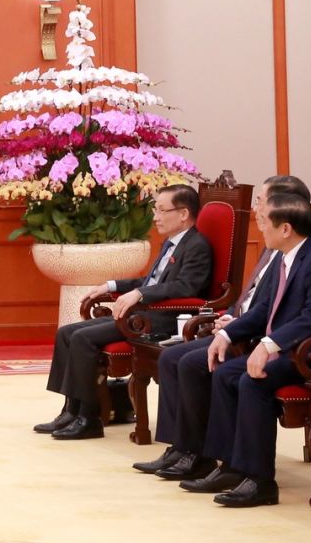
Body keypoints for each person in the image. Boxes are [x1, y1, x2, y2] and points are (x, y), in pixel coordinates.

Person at [180, 191, 311, 507]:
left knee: (254, 380)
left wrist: (268, 344)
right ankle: (231, 467)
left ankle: (260, 481)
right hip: (295, 347)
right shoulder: (287, 256)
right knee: (224, 373)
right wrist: (228, 334)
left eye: (265, 221)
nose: (260, 227)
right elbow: (266, 307)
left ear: (286, 228)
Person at [134, 175, 306, 480]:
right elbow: (250, 298)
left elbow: (276, 309)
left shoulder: (293, 253)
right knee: (172, 357)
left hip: (261, 336)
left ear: (283, 207)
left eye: (261, 202)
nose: (256, 210)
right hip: (243, 325)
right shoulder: (273, 247)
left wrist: (236, 326)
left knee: (192, 362)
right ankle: (182, 447)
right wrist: (228, 317)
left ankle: (202, 455)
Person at [36, 183, 214, 441]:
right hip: (141, 315)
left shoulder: (197, 245)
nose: (155, 217)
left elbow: (186, 286)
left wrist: (140, 294)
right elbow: (151, 281)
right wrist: (111, 285)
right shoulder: (171, 243)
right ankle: (70, 410)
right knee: (66, 333)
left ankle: (89, 418)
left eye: (161, 210)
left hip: (161, 319)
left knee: (82, 338)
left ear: (183, 213)